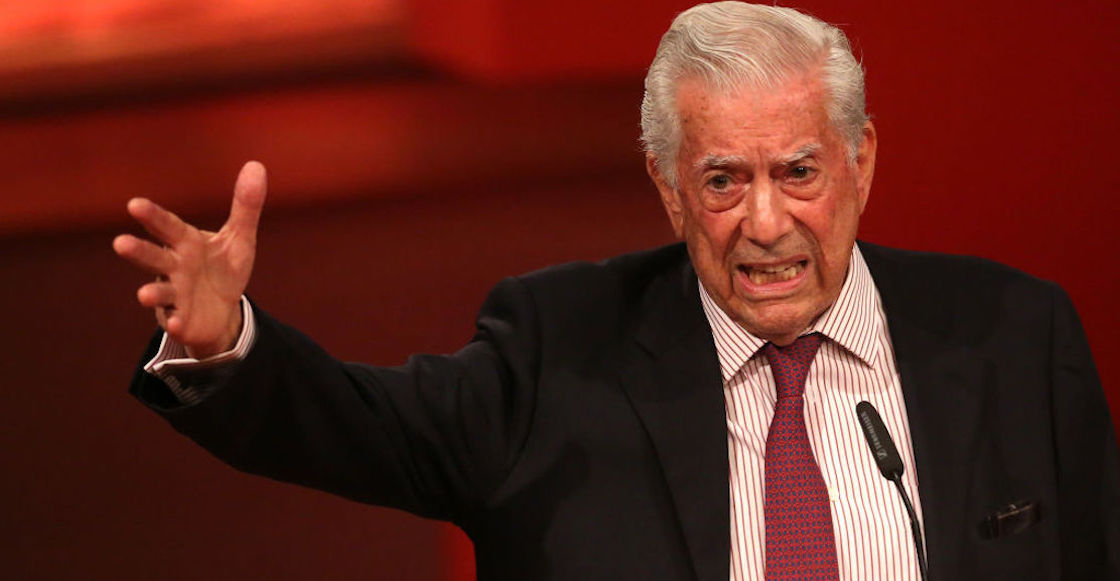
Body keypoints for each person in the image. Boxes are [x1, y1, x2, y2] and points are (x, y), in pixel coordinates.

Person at [114, 2, 1119, 580]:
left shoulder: (1014, 337)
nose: (765, 221)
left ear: (859, 163)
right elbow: (366, 427)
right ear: (668, 187)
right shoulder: (556, 351)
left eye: (798, 172)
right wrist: (225, 340)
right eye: (723, 180)